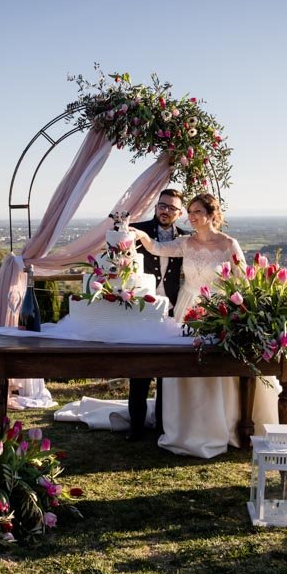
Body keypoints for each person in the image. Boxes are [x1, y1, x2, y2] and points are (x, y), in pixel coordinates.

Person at [132, 193, 279, 458]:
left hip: (217, 311)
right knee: (183, 368)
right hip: (186, 309)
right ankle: (183, 426)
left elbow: (243, 283)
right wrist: (138, 235)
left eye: (197, 211)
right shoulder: (185, 243)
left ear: (212, 215)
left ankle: (218, 425)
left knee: (214, 368)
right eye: (189, 211)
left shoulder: (229, 244)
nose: (191, 216)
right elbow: (156, 247)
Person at [125, 189, 189, 441]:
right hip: (141, 311)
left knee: (167, 373)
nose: (165, 210)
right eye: (162, 205)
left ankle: (164, 425)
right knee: (139, 370)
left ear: (179, 213)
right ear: (156, 206)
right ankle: (136, 426)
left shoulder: (186, 238)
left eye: (172, 208)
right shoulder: (136, 231)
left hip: (173, 311)